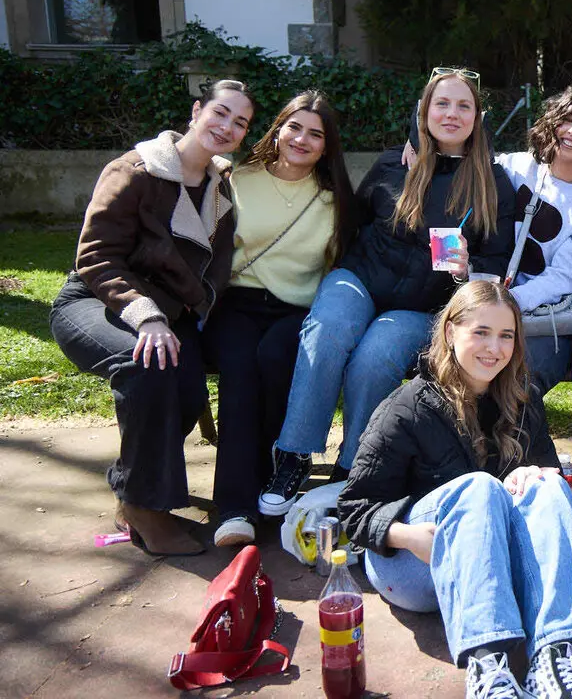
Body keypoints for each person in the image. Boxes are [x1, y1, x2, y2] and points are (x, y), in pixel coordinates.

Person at [260, 68, 516, 517]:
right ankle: (293, 455)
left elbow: (496, 267)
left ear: (477, 118)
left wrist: (469, 270)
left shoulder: (493, 184)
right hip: (359, 278)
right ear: (424, 111)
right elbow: (351, 222)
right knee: (329, 329)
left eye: (463, 106)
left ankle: (352, 467)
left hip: (424, 305)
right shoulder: (391, 164)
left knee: (375, 358)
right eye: (442, 103)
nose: (451, 114)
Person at [338, 280, 572, 699]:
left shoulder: (522, 397)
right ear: (450, 332)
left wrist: (533, 475)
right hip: (414, 562)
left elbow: (548, 485)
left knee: (550, 485)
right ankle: (488, 668)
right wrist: (408, 536)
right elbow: (353, 509)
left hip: (493, 566)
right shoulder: (408, 406)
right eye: (480, 332)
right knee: (480, 487)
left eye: (506, 336)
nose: (494, 348)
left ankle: (554, 658)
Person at [49, 79, 254, 556]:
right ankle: (144, 507)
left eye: (239, 122)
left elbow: (212, 267)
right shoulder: (135, 171)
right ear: (197, 111)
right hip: (99, 301)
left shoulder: (221, 189)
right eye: (220, 113)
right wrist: (146, 318)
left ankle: (132, 490)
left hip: (169, 314)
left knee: (186, 388)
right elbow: (96, 256)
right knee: (148, 366)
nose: (226, 127)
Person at [200, 90, 360, 547]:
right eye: (294, 127)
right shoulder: (236, 178)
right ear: (277, 129)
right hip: (237, 302)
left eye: (316, 134)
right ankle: (233, 506)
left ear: (327, 146)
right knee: (238, 369)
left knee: (275, 358)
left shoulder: (336, 200)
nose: (302, 140)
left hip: (297, 309)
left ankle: (276, 480)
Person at [404, 81, 572, 394]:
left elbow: (563, 279)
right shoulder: (514, 166)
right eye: (567, 119)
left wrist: (505, 305)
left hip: (543, 319)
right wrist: (414, 144)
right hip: (483, 303)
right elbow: (459, 154)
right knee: (448, 374)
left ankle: (508, 443)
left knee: (520, 386)